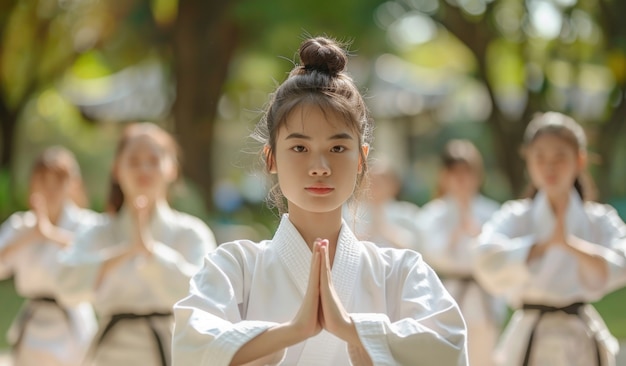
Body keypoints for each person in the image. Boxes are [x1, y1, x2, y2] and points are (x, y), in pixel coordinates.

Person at [172, 36, 468, 366]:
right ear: (270, 158)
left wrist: (349, 328)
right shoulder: (234, 267)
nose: (319, 167)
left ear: (361, 158)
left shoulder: (400, 272)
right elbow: (191, 345)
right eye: (299, 148)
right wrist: (292, 331)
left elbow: (447, 344)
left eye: (338, 148)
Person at [57, 122, 217, 366]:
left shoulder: (191, 232)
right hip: (109, 354)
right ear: (116, 169)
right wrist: (123, 253)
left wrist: (150, 251)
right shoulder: (97, 232)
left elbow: (206, 295)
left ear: (172, 168)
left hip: (172, 350)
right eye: (133, 161)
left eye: (153, 160)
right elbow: (65, 284)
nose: (143, 168)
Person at [474, 112, 626, 366]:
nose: (549, 167)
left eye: (559, 157)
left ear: (579, 159)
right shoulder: (515, 216)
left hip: (580, 333)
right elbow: (485, 258)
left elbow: (622, 260)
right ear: (528, 160)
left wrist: (571, 245)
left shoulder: (599, 219)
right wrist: (542, 246)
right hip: (531, 334)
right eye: (540, 157)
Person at [0, 146, 98, 366]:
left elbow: (99, 259)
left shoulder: (87, 225)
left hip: (72, 327)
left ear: (73, 184)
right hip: (34, 327)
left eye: (59, 181)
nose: (51, 189)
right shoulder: (21, 226)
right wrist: (30, 236)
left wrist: (51, 235)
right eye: (44, 181)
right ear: (34, 183)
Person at [416, 139, 503, 366]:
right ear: (444, 176)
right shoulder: (432, 214)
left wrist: (477, 233)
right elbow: (432, 254)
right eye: (455, 172)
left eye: (467, 172)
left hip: (483, 294)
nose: (461, 179)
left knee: (482, 357)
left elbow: (500, 256)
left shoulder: (493, 212)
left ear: (478, 175)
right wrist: (455, 234)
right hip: (446, 294)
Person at [343, 157, 421, 250]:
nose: (376, 183)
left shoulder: (407, 212)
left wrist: (383, 228)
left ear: (395, 184)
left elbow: (415, 246)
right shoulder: (349, 212)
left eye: (382, 179)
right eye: (371, 178)